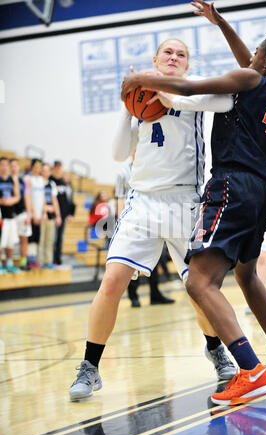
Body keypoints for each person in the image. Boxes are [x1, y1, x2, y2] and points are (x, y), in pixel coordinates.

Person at [121, 1, 266, 405]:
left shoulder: (247, 79)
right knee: (248, 276)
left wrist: (136, 81)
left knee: (198, 281)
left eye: (257, 51)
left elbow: (184, 88)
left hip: (232, 185)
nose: (250, 54)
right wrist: (221, 23)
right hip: (263, 190)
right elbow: (248, 65)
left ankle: (251, 371)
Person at [69, 37, 237, 401]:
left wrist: (170, 96)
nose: (174, 57)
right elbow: (117, 155)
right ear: (155, 60)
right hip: (143, 200)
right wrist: (127, 103)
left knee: (199, 291)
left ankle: (215, 348)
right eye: (168, 53)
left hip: (185, 201)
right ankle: (90, 367)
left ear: (187, 65)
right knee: (112, 281)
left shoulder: (193, 93)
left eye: (181, 54)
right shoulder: (139, 99)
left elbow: (226, 100)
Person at [115, 156, 175, 307]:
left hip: (151, 220)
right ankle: (133, 296)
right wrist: (122, 222)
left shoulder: (149, 169)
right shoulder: (123, 173)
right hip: (132, 221)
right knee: (131, 262)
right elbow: (120, 198)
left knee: (155, 260)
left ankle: (155, 294)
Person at [10, 158, 32, 271]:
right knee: (10, 241)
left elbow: (27, 198)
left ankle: (23, 262)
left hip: (22, 213)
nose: (13, 168)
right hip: (10, 215)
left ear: (18, 167)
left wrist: (29, 214)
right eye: (11, 166)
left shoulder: (23, 181)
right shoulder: (6, 181)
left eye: (15, 166)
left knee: (24, 239)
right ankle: (10, 263)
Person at [38, 163, 62, 269]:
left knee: (50, 240)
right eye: (44, 170)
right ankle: (40, 262)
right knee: (41, 239)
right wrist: (44, 210)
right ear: (41, 171)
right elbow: (38, 198)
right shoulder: (38, 182)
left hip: (51, 215)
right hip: (41, 215)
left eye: (48, 170)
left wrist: (58, 215)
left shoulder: (51, 183)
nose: (46, 172)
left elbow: (54, 200)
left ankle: (48, 261)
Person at [49, 161, 73, 265]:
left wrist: (69, 214)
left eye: (60, 168)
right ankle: (50, 259)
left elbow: (68, 201)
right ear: (53, 168)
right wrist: (55, 215)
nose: (58, 169)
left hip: (62, 215)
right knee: (52, 238)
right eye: (56, 167)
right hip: (52, 215)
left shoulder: (63, 182)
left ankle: (57, 259)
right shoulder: (50, 180)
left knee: (59, 238)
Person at [0, 156, 20, 273]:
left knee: (10, 241)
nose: (4, 167)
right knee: (0, 241)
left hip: (11, 215)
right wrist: (2, 201)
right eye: (2, 164)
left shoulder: (13, 180)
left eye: (6, 164)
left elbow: (17, 196)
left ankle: (9, 263)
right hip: (1, 216)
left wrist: (11, 200)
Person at [27, 158, 44, 269]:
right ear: (32, 166)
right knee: (31, 237)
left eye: (40, 167)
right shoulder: (28, 179)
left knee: (37, 237)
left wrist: (42, 212)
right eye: (36, 166)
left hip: (39, 213)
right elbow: (28, 197)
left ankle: (34, 259)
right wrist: (33, 213)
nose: (38, 169)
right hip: (32, 214)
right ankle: (29, 259)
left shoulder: (41, 179)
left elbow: (42, 198)